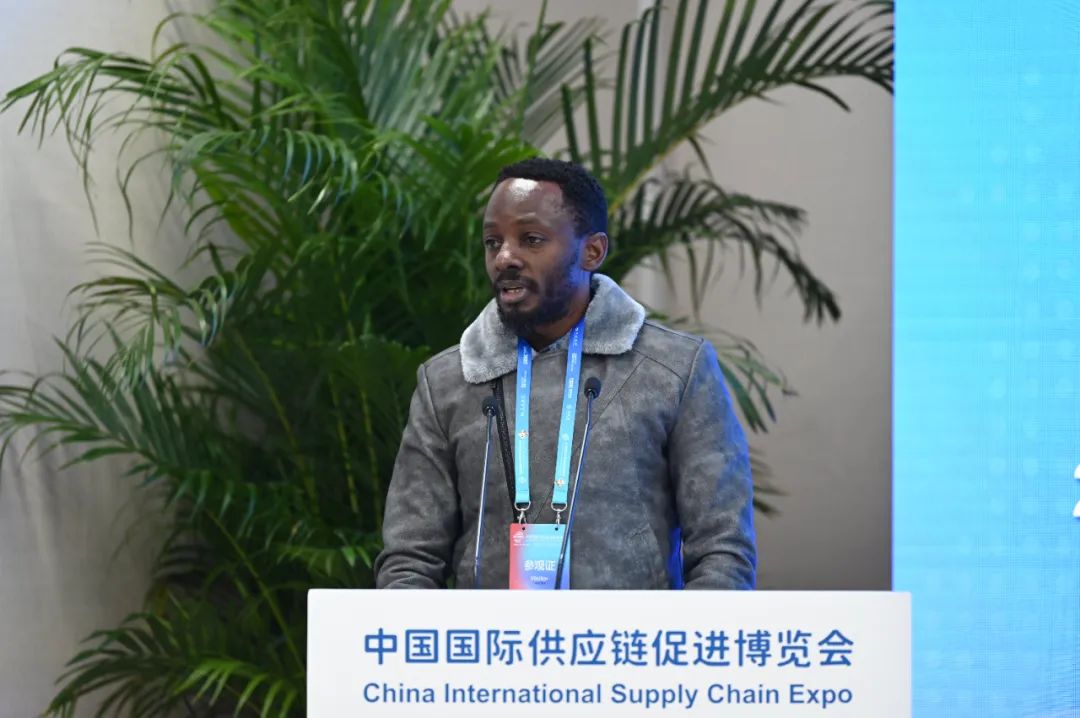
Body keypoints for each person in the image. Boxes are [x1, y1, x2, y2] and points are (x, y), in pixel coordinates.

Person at [374, 158, 755, 590]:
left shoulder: (675, 368)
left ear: (592, 251)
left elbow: (723, 550)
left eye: (531, 239)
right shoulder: (446, 381)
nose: (504, 258)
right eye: (492, 242)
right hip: (487, 637)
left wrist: (681, 636)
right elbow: (409, 560)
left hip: (628, 635)